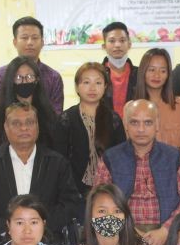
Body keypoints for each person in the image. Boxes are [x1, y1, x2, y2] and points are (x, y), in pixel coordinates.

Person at [0, 103, 80, 245]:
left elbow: (69, 203)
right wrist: (10, 229)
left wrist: (39, 228)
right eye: (16, 123)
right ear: (6, 128)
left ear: (37, 127)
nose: (24, 128)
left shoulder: (57, 163)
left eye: (29, 122)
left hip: (46, 239)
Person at [93, 99, 180, 245]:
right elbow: (99, 200)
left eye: (148, 123)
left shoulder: (173, 157)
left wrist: (166, 230)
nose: (141, 129)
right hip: (123, 233)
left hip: (167, 232)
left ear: (157, 125)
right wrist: (129, 231)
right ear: (126, 125)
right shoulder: (111, 158)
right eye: (134, 123)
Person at [53, 62, 126, 218]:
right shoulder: (66, 119)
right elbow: (60, 160)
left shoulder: (113, 119)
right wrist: (75, 191)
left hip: (109, 193)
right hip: (75, 194)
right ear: (77, 87)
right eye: (86, 82)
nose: (92, 88)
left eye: (98, 82)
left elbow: (121, 159)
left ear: (105, 86)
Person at [0, 16, 64, 113]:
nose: (30, 42)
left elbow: (56, 117)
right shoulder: (1, 75)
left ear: (42, 42)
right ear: (15, 42)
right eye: (24, 38)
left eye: (35, 38)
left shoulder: (53, 77)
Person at [0, 56, 57, 151]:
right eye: (18, 78)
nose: (24, 81)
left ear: (37, 80)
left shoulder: (48, 114)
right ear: (10, 81)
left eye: (29, 77)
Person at [134, 48, 180, 159]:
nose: (157, 75)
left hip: (174, 169)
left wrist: (171, 166)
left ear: (168, 75)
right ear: (143, 71)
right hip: (142, 171)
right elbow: (130, 146)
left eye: (163, 71)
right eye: (152, 70)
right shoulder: (131, 107)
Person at [101, 21, 137, 118]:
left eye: (122, 40)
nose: (117, 45)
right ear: (104, 46)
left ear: (129, 44)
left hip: (134, 130)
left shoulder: (140, 74)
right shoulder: (97, 74)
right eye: (112, 41)